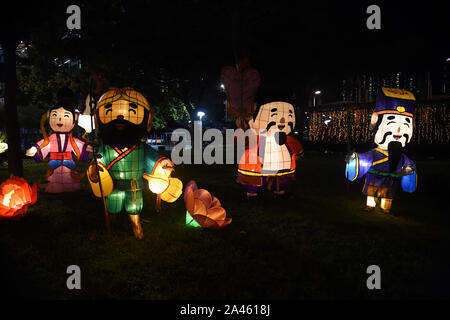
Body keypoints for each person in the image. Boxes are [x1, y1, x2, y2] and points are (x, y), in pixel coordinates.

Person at [86, 87, 180, 239]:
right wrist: (93, 169)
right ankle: (110, 222)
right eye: (111, 112)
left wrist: (163, 164)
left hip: (134, 185)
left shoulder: (141, 148)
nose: (120, 117)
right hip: (113, 185)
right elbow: (97, 161)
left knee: (134, 207)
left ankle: (136, 226)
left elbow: (155, 158)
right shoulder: (106, 148)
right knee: (112, 206)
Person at [345, 87, 417, 213]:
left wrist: (410, 171)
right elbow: (363, 159)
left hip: (391, 179)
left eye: (406, 125)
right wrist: (355, 160)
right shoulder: (374, 153)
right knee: (371, 191)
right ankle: (370, 205)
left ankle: (386, 207)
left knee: (388, 193)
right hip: (374, 177)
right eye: (392, 124)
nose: (398, 131)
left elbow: (408, 167)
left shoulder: (402, 157)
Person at [26, 88, 92, 193]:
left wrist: (86, 147)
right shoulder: (51, 139)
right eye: (55, 116)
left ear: (74, 121)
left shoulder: (72, 139)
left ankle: (71, 189)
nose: (60, 120)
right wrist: (35, 149)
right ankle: (54, 189)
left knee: (70, 177)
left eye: (66, 116)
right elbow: (44, 145)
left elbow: (79, 145)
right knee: (53, 179)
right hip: (54, 162)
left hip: (68, 162)